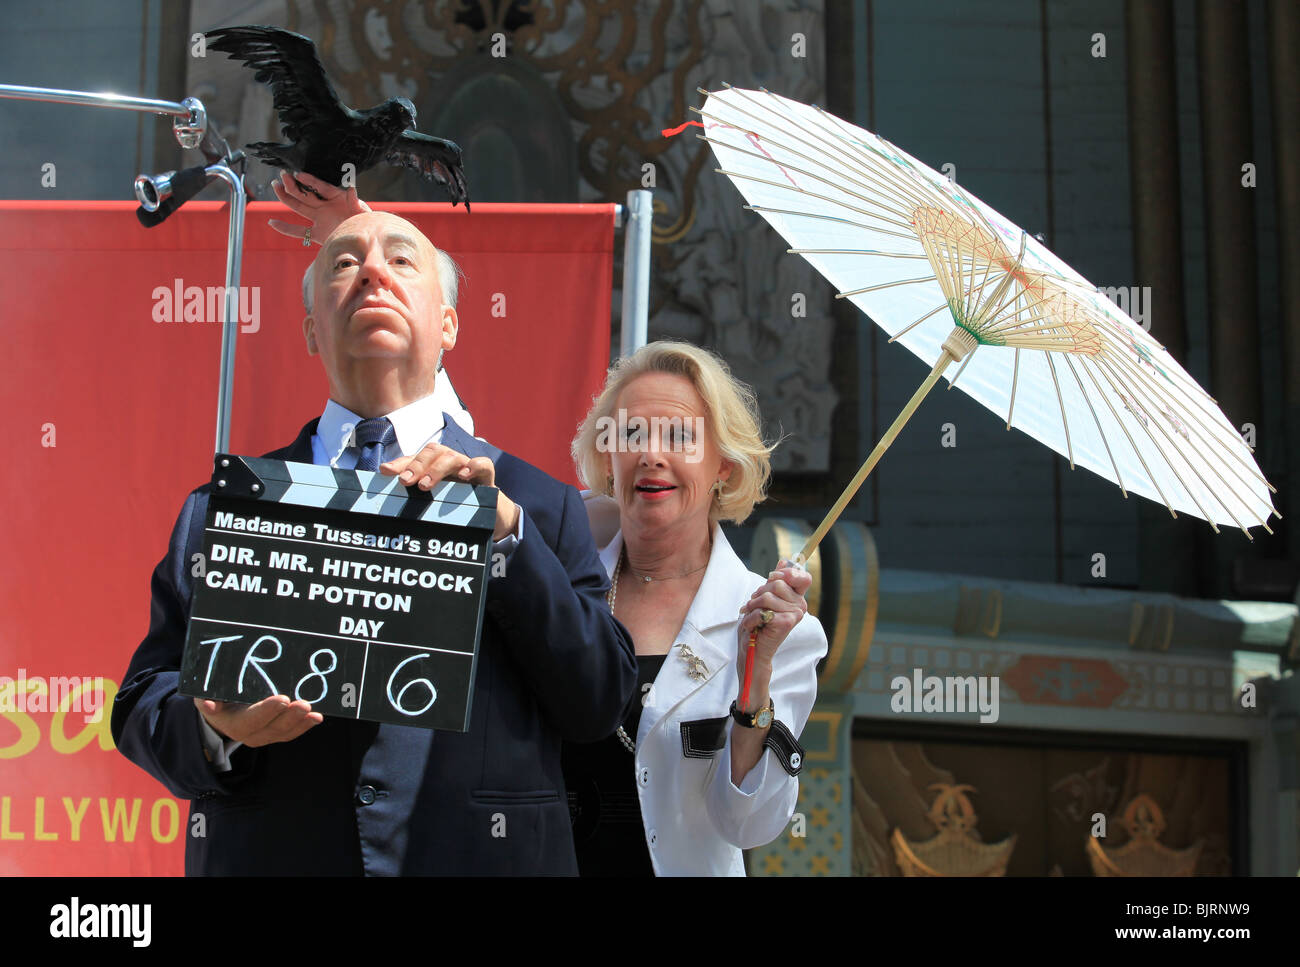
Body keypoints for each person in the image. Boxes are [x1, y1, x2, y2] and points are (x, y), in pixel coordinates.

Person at [111, 208, 637, 875]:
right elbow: (140, 706)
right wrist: (217, 728)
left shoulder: (538, 507)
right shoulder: (224, 511)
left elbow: (598, 701)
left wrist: (506, 539)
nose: (372, 273)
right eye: (344, 262)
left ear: (448, 322)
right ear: (310, 329)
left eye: (401, 259)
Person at [560, 340, 827, 875]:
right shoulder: (559, 577)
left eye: (680, 436)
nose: (651, 454)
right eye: (632, 433)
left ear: (724, 465)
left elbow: (749, 825)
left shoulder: (783, 633)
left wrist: (756, 678)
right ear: (609, 458)